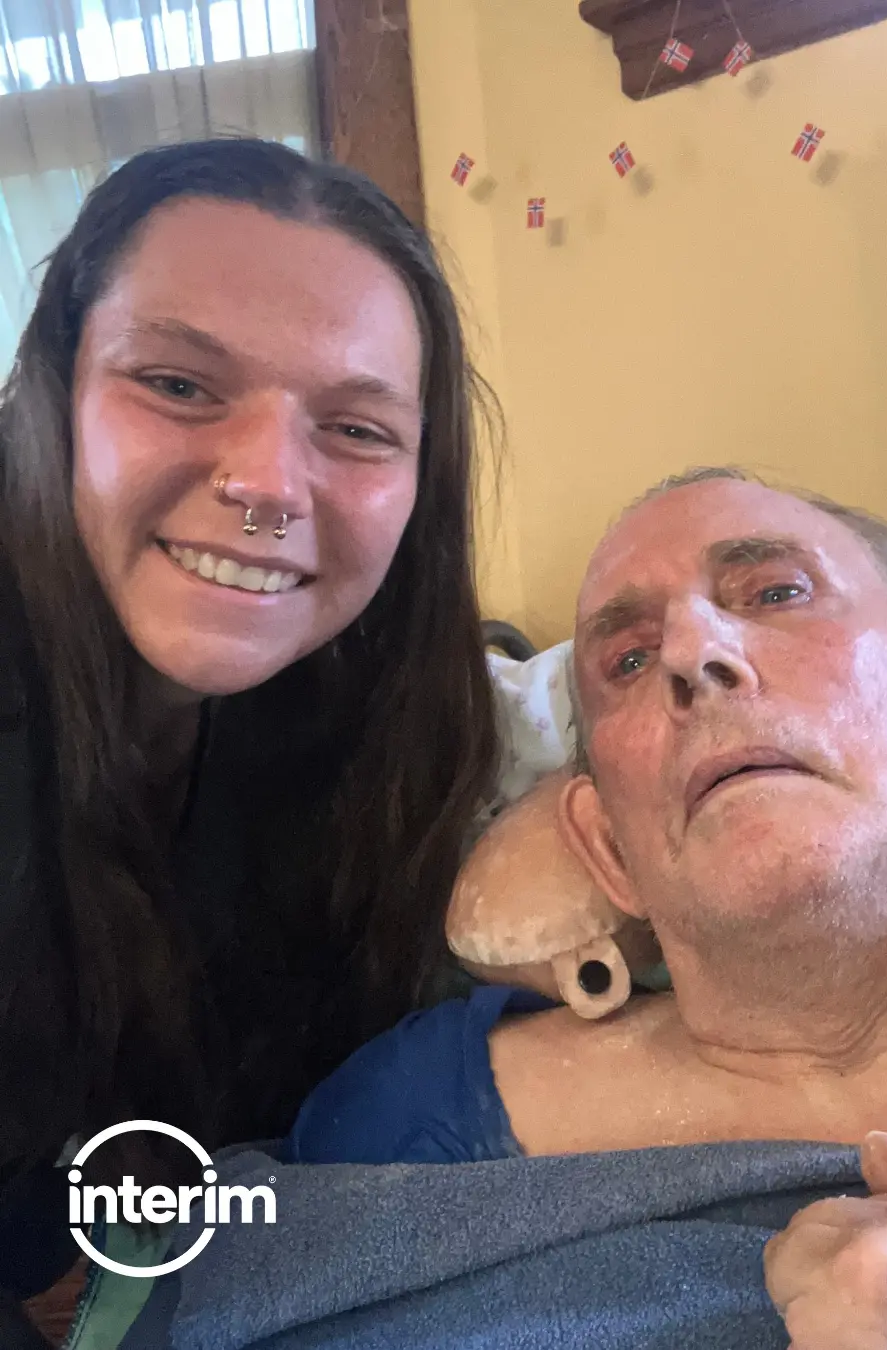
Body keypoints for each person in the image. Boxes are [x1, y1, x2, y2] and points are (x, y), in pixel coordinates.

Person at [290, 467, 887, 1348]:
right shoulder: (402, 1122)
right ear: (607, 845)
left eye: (777, 593)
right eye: (627, 660)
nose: (690, 654)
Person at [0, 137, 499, 1338]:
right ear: (53, 396)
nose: (271, 482)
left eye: (358, 429)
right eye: (178, 384)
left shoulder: (371, 722)